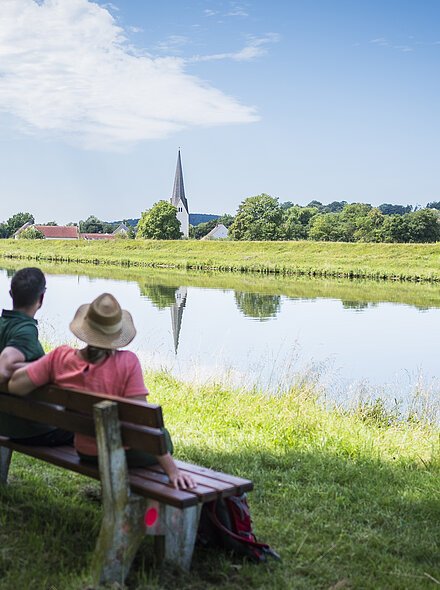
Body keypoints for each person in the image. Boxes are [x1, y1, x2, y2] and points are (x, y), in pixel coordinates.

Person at [9, 292, 196, 490]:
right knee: (163, 436)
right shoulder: (127, 363)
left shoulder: (59, 358)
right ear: (116, 333)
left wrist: (30, 368)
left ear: (86, 327)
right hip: (117, 451)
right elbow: (143, 425)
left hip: (85, 451)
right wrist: (173, 470)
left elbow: (15, 386)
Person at [0, 267, 73, 445]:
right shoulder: (25, 330)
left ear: (11, 294)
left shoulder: (3, 324)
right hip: (30, 431)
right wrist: (48, 365)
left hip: (5, 423)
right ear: (41, 298)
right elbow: (4, 367)